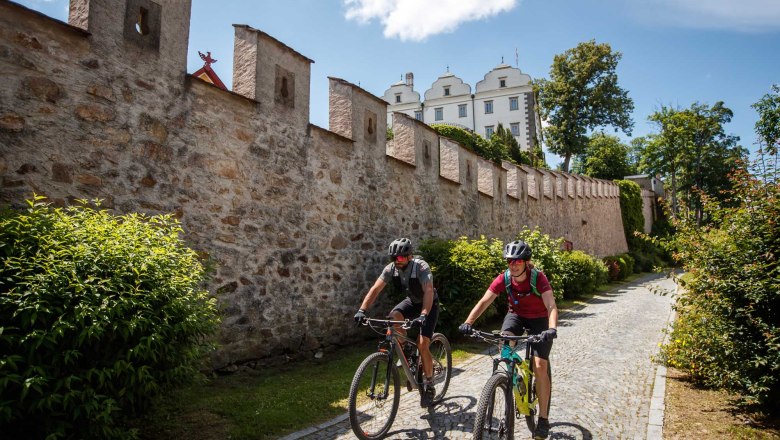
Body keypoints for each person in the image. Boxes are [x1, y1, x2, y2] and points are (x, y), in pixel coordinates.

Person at [458, 240, 558, 439]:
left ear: (526, 262)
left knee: (539, 366)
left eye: (518, 261)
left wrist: (552, 328)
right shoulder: (504, 278)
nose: (513, 264)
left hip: (539, 320)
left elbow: (551, 305)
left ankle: (544, 419)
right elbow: (485, 300)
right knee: (504, 349)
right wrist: (468, 322)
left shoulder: (538, 278)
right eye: (510, 261)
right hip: (516, 316)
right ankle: (506, 379)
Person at [354, 237, 439, 408]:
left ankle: (429, 385)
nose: (396, 261)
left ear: (409, 256)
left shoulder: (421, 267)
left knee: (423, 345)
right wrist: (362, 310)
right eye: (393, 258)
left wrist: (423, 314)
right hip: (412, 301)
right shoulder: (391, 268)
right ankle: (407, 350)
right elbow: (375, 289)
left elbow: (428, 290)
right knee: (393, 318)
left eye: (400, 257)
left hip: (429, 305)